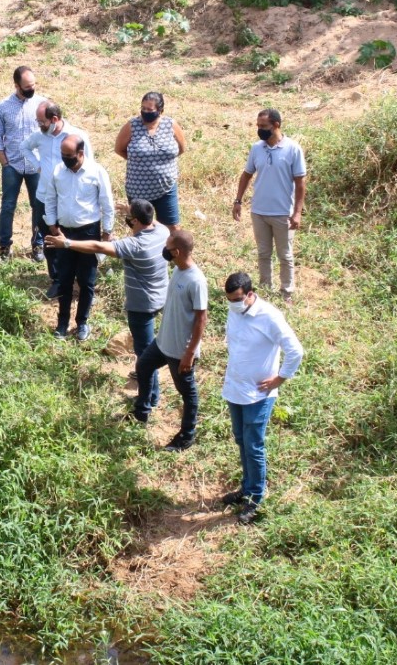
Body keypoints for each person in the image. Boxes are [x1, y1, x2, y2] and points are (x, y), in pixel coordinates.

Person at [44, 199, 168, 385]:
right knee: (146, 345)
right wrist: (132, 210)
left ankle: (148, 398)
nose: (126, 217)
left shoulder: (135, 246)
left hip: (142, 305)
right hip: (161, 297)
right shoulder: (162, 232)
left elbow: (98, 247)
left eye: (129, 215)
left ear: (135, 221)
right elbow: (152, 220)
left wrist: (67, 243)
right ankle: (145, 373)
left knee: (144, 349)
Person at [220, 271, 304, 524]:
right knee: (241, 440)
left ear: (250, 294)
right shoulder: (235, 311)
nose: (233, 303)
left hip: (259, 394)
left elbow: (296, 351)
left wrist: (279, 378)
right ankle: (246, 488)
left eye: (237, 298)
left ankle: (255, 498)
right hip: (236, 389)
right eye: (229, 299)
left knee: (254, 444)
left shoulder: (269, 316)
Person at [126, 230, 207, 452]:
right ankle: (141, 411)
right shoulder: (178, 270)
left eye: (168, 248)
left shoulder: (196, 280)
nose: (165, 251)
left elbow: (201, 319)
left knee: (187, 394)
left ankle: (186, 436)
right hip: (163, 342)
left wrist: (189, 353)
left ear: (177, 252)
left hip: (180, 351)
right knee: (143, 366)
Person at [43, 135, 114, 342]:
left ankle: (82, 322)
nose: (65, 159)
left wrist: (107, 234)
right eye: (63, 155)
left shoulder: (96, 172)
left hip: (89, 232)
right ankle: (62, 323)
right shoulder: (58, 171)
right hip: (64, 232)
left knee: (87, 281)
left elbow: (107, 204)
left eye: (69, 156)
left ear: (81, 153)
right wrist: (52, 226)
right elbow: (50, 198)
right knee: (64, 279)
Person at [232, 108, 307, 303]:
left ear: (276, 125)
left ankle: (287, 292)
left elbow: (300, 183)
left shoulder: (293, 149)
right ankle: (265, 290)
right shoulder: (257, 148)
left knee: (285, 255)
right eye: (258, 126)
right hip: (259, 211)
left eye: (263, 126)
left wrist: (297, 212)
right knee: (264, 253)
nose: (260, 130)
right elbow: (246, 175)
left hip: (283, 213)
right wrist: (238, 200)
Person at [24, 102, 94, 299]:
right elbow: (24, 147)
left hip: (68, 197)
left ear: (54, 120)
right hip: (44, 197)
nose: (39, 125)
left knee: (73, 238)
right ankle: (57, 279)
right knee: (49, 240)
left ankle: (80, 282)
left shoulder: (77, 136)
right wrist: (38, 165)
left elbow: (90, 166)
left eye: (42, 122)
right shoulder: (40, 137)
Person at [0, 65, 47, 263]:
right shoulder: (2, 106)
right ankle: (5, 246)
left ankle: (38, 244)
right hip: (12, 165)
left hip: (36, 166)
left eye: (33, 85)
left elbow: (49, 134)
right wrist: (5, 164)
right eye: (26, 86)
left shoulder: (42, 104)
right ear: (16, 86)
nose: (31, 89)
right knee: (8, 206)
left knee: (39, 206)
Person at [114, 91, 187, 228]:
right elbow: (119, 149)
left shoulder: (170, 125)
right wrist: (139, 161)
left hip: (166, 187)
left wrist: (162, 163)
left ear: (160, 110)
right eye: (143, 108)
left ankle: (168, 250)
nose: (145, 112)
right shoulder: (132, 126)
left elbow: (181, 148)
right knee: (142, 228)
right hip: (138, 190)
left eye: (150, 109)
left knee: (173, 228)